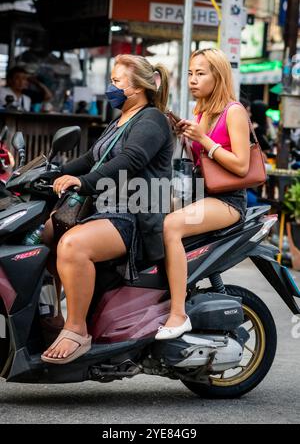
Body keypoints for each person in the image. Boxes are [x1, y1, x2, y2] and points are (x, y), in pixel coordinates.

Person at [41, 54, 173, 364]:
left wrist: (83, 183)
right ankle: (50, 316)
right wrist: (46, 174)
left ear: (137, 87)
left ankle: (77, 330)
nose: (109, 87)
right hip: (105, 209)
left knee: (73, 245)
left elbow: (130, 160)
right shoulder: (121, 119)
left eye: (115, 81)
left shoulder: (152, 119)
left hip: (134, 214)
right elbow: (91, 159)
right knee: (42, 233)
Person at [155, 48, 250, 340]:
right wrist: (184, 135)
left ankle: (178, 313)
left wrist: (204, 140)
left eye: (201, 73)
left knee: (172, 226)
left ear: (217, 76)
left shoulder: (233, 111)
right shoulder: (201, 111)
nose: (193, 80)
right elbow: (199, 162)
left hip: (227, 201)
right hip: (199, 194)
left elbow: (242, 165)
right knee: (145, 211)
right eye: (190, 73)